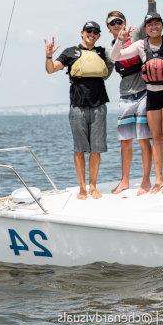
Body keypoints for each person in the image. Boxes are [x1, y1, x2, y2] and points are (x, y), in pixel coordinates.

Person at [110, 11, 163, 194]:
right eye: (150, 24)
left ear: (162, 25)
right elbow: (115, 57)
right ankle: (158, 180)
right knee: (156, 137)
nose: (154, 27)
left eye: (157, 23)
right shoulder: (141, 44)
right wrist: (120, 39)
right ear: (146, 29)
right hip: (152, 94)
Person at [44, 21, 113, 200]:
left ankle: (93, 186)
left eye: (95, 32)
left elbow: (115, 61)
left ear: (98, 35)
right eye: (88, 31)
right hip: (77, 107)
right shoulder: (70, 52)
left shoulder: (102, 52)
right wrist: (49, 56)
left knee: (96, 150)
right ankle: (82, 188)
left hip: (99, 106)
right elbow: (51, 70)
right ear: (82, 33)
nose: (92, 34)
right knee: (79, 150)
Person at [105, 0, 155, 195]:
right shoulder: (111, 47)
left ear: (125, 22)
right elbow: (107, 67)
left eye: (119, 21)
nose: (117, 24)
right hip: (125, 96)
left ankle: (145, 180)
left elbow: (151, 18)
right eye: (112, 23)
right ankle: (124, 180)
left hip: (144, 91)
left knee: (144, 138)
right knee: (125, 141)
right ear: (109, 28)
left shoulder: (136, 35)